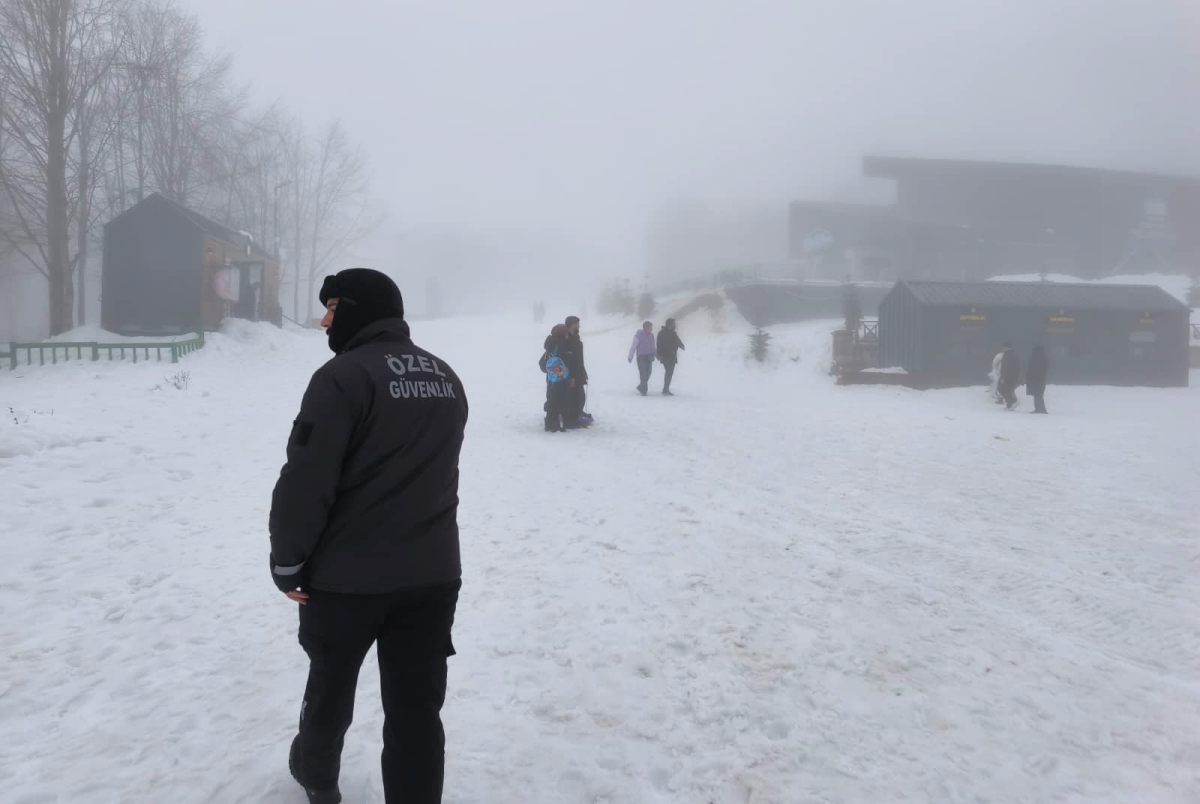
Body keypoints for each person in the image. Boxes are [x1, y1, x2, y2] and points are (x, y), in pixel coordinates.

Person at [268, 267, 468, 804]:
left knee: (330, 692)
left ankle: (319, 786)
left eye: (333, 305)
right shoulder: (446, 377)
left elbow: (306, 481)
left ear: (359, 309)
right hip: (432, 577)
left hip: (346, 581)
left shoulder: (341, 377)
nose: (324, 318)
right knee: (416, 713)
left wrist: (288, 561)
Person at [561, 315, 592, 427]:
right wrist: (571, 377)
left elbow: (578, 358)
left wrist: (583, 371)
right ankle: (571, 419)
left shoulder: (575, 337)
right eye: (578, 324)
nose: (579, 326)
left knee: (580, 396)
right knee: (574, 396)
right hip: (571, 374)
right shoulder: (567, 339)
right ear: (573, 324)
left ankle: (577, 414)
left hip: (578, 371)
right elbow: (569, 360)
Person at [540, 323, 570, 431]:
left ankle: (550, 423)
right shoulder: (560, 344)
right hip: (559, 377)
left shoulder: (550, 344)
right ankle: (553, 425)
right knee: (557, 400)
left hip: (551, 378)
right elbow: (564, 361)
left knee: (551, 398)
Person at [656, 318, 685, 396]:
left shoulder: (673, 333)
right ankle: (665, 389)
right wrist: (658, 355)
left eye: (674, 324)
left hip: (672, 356)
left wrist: (681, 345)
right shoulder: (661, 333)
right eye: (673, 324)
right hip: (664, 356)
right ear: (669, 325)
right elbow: (658, 345)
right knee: (669, 372)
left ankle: (666, 389)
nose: (674, 325)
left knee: (670, 372)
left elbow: (677, 340)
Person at [628, 321, 657, 395]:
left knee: (649, 372)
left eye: (651, 328)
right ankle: (644, 390)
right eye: (650, 328)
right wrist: (630, 356)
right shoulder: (638, 336)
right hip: (641, 357)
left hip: (649, 356)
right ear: (645, 328)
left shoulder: (651, 336)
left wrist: (657, 355)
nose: (651, 329)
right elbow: (633, 346)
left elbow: (653, 347)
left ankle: (641, 386)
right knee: (643, 373)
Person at [1026, 344, 1049, 414]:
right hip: (1041, 379)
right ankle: (1040, 409)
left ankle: (1040, 409)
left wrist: (1028, 377)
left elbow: (1031, 369)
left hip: (1035, 379)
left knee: (1037, 395)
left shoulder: (1034, 358)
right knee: (1039, 395)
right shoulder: (1044, 359)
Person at [998, 341, 1021, 410]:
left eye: (1004, 347)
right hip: (1011, 376)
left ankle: (1014, 401)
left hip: (1008, 377)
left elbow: (1006, 367)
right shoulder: (1011, 354)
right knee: (1007, 389)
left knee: (1003, 388)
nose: (1002, 348)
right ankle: (1009, 404)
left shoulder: (1009, 355)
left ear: (1007, 347)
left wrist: (1003, 377)